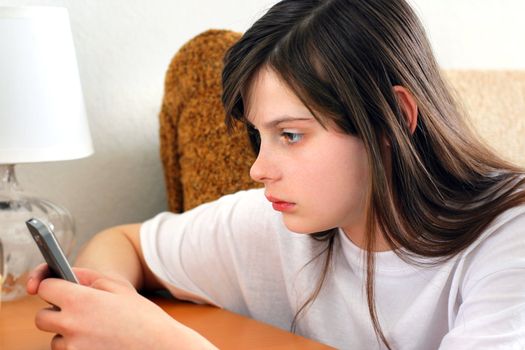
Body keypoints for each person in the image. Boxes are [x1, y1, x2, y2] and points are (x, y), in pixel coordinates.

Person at [27, 0, 525, 349]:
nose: (258, 168)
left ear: (393, 119)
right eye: (259, 136)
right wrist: (107, 311)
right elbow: (125, 243)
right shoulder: (279, 226)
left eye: (291, 135)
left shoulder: (510, 238)